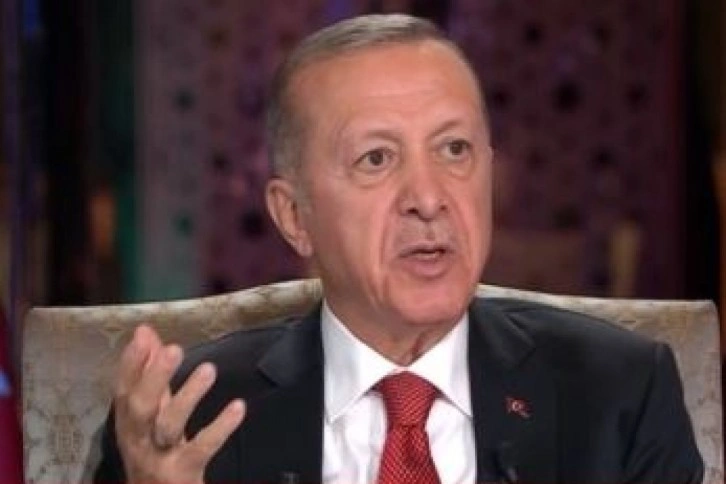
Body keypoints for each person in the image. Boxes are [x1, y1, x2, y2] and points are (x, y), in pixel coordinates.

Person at [94, 13, 703, 484]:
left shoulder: (619, 394)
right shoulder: (184, 421)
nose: (429, 198)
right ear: (294, 216)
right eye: (376, 158)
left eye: (454, 150)